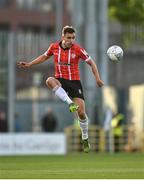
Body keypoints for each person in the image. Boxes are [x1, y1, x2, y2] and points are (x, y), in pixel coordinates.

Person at [17, 25, 104, 153]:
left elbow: (92, 63)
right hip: (61, 80)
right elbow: (44, 56)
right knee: (49, 80)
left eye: (73, 38)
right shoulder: (54, 47)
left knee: (81, 113)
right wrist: (30, 64)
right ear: (62, 37)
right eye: (69, 37)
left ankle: (85, 137)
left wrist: (97, 79)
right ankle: (70, 103)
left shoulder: (78, 49)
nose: (71, 40)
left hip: (74, 83)